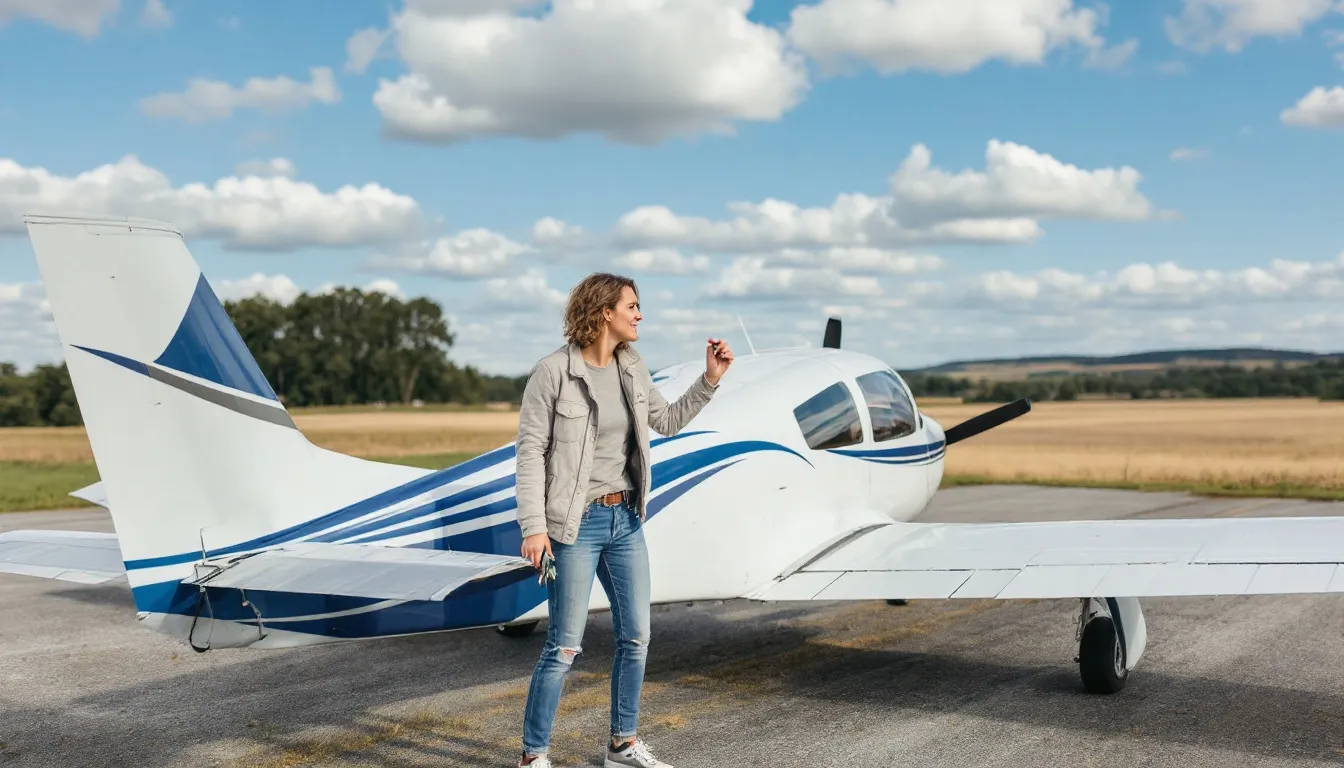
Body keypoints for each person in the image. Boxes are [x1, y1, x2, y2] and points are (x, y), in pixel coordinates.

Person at [512, 272, 733, 768]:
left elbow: (668, 420)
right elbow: (530, 453)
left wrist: (710, 379)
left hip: (626, 519)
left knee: (636, 636)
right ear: (604, 311)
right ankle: (533, 755)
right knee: (564, 646)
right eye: (632, 306)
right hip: (575, 526)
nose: (639, 315)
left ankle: (622, 744)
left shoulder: (631, 366)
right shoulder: (552, 372)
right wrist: (533, 526)